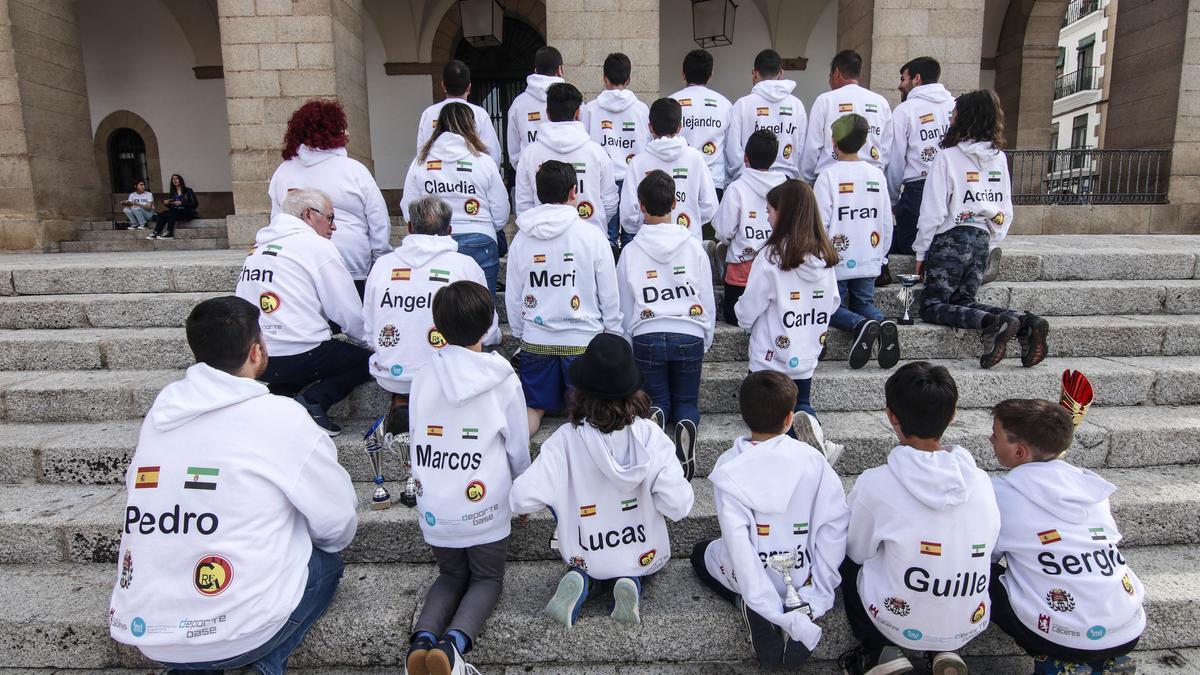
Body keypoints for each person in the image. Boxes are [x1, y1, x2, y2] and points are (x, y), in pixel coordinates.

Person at [108, 295, 358, 674]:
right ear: (256, 352)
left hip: (146, 629)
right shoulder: (280, 416)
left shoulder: (161, 413)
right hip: (238, 629)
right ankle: (264, 666)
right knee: (326, 565)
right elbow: (336, 523)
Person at [510, 333, 694, 628]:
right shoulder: (650, 436)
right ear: (634, 390)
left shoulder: (565, 441)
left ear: (580, 391)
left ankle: (584, 581)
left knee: (590, 564)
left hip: (587, 550)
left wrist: (541, 503)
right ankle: (630, 580)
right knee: (637, 565)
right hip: (643, 549)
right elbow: (679, 505)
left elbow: (521, 497)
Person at [838, 361, 1000, 675]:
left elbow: (857, 550)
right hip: (970, 619)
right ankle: (944, 649)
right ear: (953, 414)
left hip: (898, 618)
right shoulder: (980, 480)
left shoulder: (875, 483)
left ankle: (879, 650)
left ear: (891, 416)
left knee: (847, 559)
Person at [404, 280, 530, 675]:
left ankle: (422, 641)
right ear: (487, 325)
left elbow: (416, 434)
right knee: (487, 579)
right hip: (484, 503)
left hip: (436, 505)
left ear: (438, 325)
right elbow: (516, 446)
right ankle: (453, 644)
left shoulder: (423, 375)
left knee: (450, 575)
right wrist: (522, 493)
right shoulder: (502, 376)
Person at [691, 370, 849, 669]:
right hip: (803, 575)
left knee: (700, 553)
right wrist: (819, 588)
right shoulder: (814, 459)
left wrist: (761, 601)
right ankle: (799, 612)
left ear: (743, 415)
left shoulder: (729, 465)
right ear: (790, 418)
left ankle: (752, 608)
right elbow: (834, 525)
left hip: (754, 574)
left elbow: (738, 543)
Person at [988, 399, 1144, 675]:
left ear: (1020, 451)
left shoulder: (1000, 493)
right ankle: (1109, 660)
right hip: (1128, 628)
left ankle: (1059, 662)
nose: (990, 439)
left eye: (995, 435)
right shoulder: (1090, 486)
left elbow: (988, 552)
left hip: (1061, 637)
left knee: (979, 570)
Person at [913, 89, 1049, 369]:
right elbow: (1004, 206)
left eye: (954, 114)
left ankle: (991, 323)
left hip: (951, 237)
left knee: (932, 306)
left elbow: (933, 210)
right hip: (981, 237)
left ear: (965, 118)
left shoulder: (947, 157)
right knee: (964, 299)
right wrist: (992, 236)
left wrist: (921, 251)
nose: (950, 118)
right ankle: (1023, 323)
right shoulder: (998, 158)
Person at [235, 188, 371, 435]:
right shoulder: (315, 246)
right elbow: (346, 310)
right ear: (308, 214)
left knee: (299, 348)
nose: (334, 227)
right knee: (370, 362)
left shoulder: (257, 248)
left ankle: (277, 400)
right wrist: (370, 342)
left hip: (258, 357)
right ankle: (314, 402)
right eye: (330, 217)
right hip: (300, 355)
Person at [364, 195, 498, 440]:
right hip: (450, 372)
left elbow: (369, 328)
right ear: (450, 230)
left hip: (393, 374)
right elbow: (487, 326)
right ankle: (449, 410)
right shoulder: (464, 265)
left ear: (409, 227)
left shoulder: (383, 265)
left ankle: (402, 402)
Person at [505, 161, 622, 436]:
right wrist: (614, 333)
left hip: (537, 341)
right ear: (574, 191)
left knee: (532, 408)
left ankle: (516, 461)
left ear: (538, 194)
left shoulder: (522, 238)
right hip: (583, 344)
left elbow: (514, 295)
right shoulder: (592, 235)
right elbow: (609, 292)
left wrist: (522, 333)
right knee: (585, 413)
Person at [616, 170, 716, 481]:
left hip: (647, 333)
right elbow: (707, 298)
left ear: (640, 206)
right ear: (676, 202)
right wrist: (706, 335)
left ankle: (657, 419)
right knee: (687, 402)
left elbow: (623, 303)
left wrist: (629, 339)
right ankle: (686, 427)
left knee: (656, 400)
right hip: (689, 331)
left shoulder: (631, 251)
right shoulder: (694, 247)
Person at [734, 180, 839, 427]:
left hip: (770, 356)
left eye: (769, 211)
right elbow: (833, 303)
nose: (767, 218)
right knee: (800, 404)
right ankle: (813, 434)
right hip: (806, 353)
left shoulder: (771, 257)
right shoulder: (824, 257)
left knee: (766, 419)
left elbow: (750, 306)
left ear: (784, 213)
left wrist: (741, 317)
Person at [268, 99, 392, 295]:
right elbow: (378, 219)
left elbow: (276, 222)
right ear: (333, 131)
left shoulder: (283, 172)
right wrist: (380, 257)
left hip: (299, 267)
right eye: (343, 128)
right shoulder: (354, 170)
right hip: (351, 265)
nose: (348, 133)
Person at [813, 114, 899, 370]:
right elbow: (885, 220)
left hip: (835, 259)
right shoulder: (876, 175)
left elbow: (820, 222)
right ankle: (882, 323)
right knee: (864, 303)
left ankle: (860, 325)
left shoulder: (828, 176)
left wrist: (819, 256)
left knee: (827, 306)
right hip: (869, 255)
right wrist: (882, 255)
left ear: (834, 142)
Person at [402, 103, 510, 295]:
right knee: (482, 310)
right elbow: (501, 212)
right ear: (471, 126)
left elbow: (409, 209)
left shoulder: (420, 161)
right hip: (480, 239)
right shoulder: (483, 161)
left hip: (431, 244)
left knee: (436, 310)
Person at [515, 83, 619, 236]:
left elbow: (524, 205)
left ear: (547, 113)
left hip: (542, 240)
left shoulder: (529, 154)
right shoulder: (597, 153)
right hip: (589, 240)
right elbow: (609, 203)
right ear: (578, 113)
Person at [712, 129, 787, 325]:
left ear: (745, 157)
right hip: (778, 266)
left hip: (742, 272)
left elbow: (723, 230)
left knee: (731, 315)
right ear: (774, 158)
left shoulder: (737, 188)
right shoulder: (786, 186)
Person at [619, 97, 717, 244]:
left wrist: (644, 224)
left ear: (650, 127)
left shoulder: (638, 162)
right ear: (679, 127)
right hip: (688, 243)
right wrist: (689, 224)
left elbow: (628, 215)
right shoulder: (695, 158)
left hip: (648, 244)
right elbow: (710, 206)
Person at [885, 56, 955, 260]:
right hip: (951, 187)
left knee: (909, 243)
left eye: (903, 79)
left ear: (916, 78)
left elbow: (896, 159)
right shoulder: (954, 105)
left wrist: (892, 198)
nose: (900, 85)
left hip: (918, 188)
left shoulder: (906, 110)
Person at [582, 52, 651, 251]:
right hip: (633, 178)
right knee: (633, 234)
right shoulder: (641, 109)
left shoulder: (591, 109)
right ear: (628, 80)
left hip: (603, 180)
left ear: (604, 78)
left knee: (606, 237)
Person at [800, 50, 893, 183]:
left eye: (830, 76)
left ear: (836, 73)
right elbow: (886, 148)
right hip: (871, 180)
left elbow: (813, 146)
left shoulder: (825, 100)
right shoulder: (880, 102)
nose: (829, 81)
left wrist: (811, 179)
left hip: (830, 178)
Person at [726, 49, 807, 181]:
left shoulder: (742, 105)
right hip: (786, 182)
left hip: (749, 180)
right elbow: (801, 148)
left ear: (754, 73)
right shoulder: (796, 105)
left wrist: (741, 177)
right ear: (781, 73)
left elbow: (733, 150)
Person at [415, 59, 503, 166]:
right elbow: (494, 155)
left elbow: (421, 153)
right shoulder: (479, 114)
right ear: (469, 87)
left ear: (443, 86)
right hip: (471, 178)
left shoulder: (428, 114)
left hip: (435, 178)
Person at [670, 49, 733, 197]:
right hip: (714, 182)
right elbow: (731, 149)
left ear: (683, 74)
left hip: (677, 181)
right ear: (710, 75)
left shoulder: (671, 102)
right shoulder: (725, 105)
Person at [507, 45, 565, 170]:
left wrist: (524, 170)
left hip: (529, 173)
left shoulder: (518, 103)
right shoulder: (572, 99)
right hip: (565, 177)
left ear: (535, 70)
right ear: (559, 69)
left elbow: (514, 150)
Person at [147, 173, 198, 240]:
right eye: (173, 179)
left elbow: (194, 204)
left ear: (180, 180)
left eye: (176, 178)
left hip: (188, 213)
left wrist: (182, 202)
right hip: (176, 213)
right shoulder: (173, 192)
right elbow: (172, 207)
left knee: (172, 212)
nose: (174, 180)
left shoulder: (188, 190)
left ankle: (169, 233)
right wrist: (167, 203)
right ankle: (156, 232)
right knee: (164, 213)